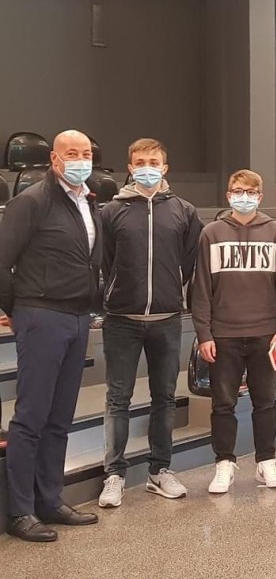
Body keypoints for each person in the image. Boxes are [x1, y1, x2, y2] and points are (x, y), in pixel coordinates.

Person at [0, 130, 102, 542]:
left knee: (60, 417)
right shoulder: (32, 201)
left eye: (85, 153)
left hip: (78, 318)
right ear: (54, 159)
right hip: (41, 316)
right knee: (32, 417)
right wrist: (17, 310)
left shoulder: (87, 201)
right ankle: (21, 511)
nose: (80, 159)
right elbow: (2, 261)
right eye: (71, 153)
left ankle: (50, 500)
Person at [97, 138, 202, 508]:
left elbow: (188, 261)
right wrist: (118, 292)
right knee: (118, 399)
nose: (147, 168)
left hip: (166, 320)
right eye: (140, 162)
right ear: (129, 167)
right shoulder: (112, 211)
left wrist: (169, 290)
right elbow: (105, 261)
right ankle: (114, 474)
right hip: (121, 320)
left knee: (164, 398)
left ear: (164, 167)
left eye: (153, 162)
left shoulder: (184, 211)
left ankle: (160, 471)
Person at [190, 169, 276, 494]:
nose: (243, 196)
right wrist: (204, 334)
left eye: (249, 192)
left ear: (259, 196)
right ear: (228, 195)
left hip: (266, 334)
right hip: (224, 335)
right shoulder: (211, 233)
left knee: (266, 401)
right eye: (237, 191)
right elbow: (201, 288)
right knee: (222, 403)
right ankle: (224, 463)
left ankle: (266, 461)